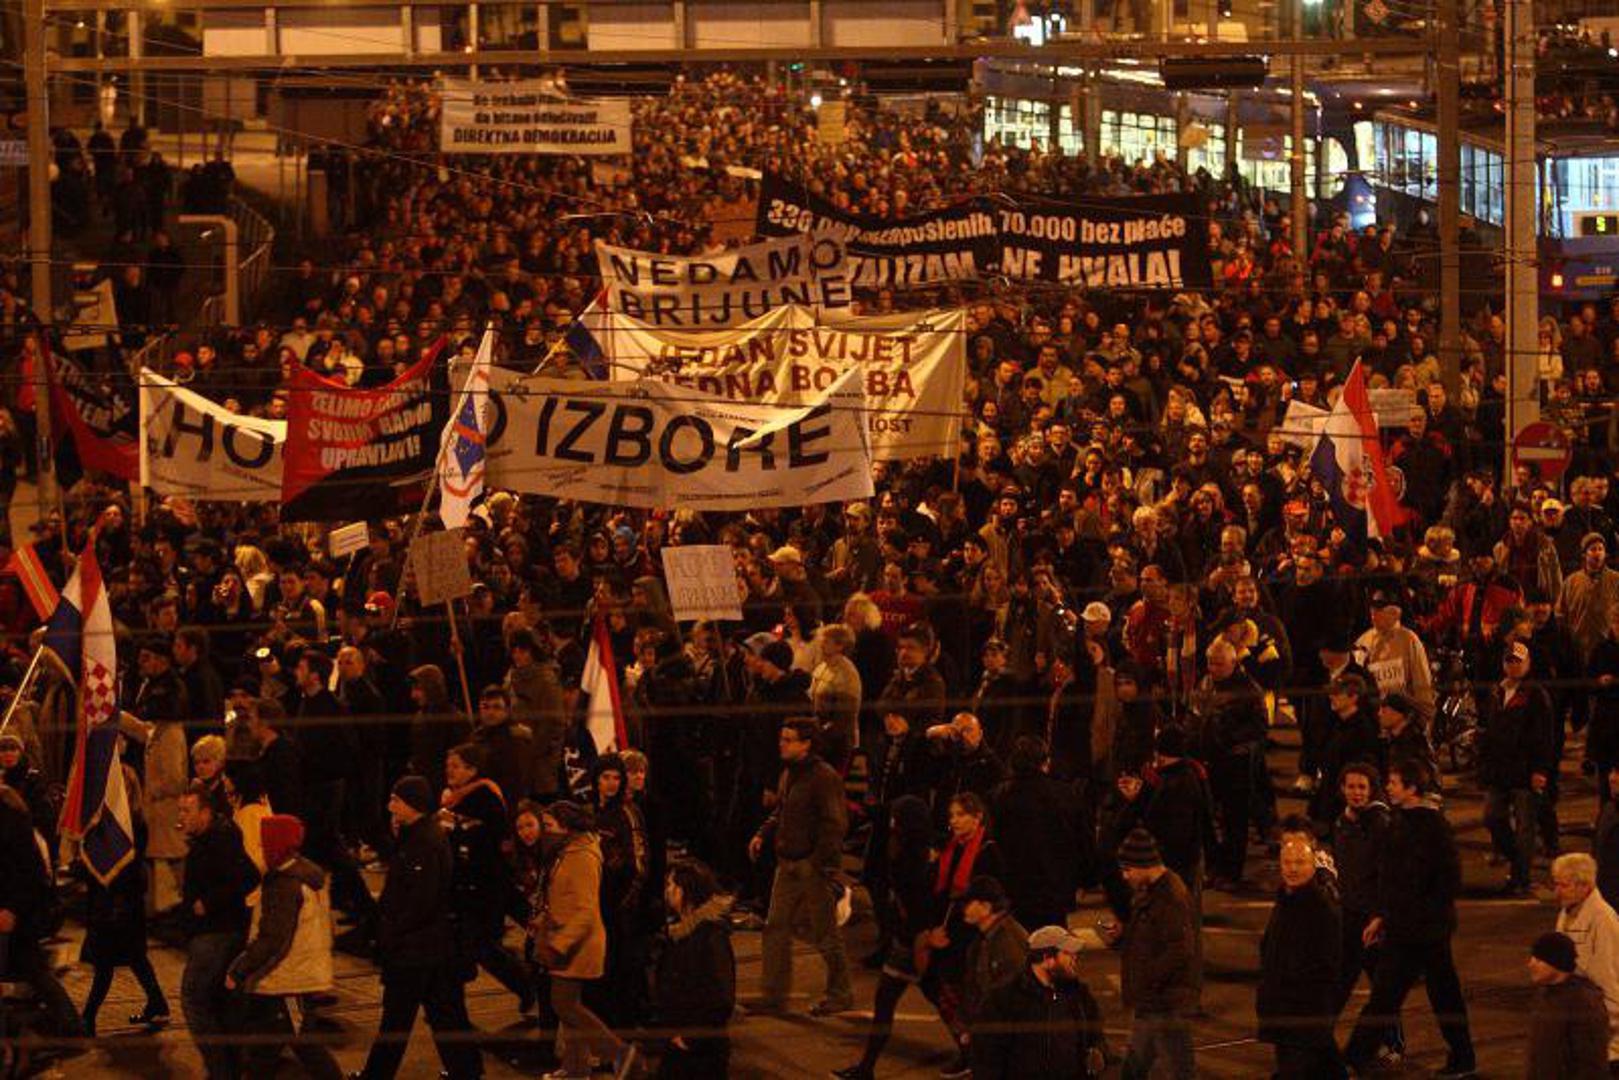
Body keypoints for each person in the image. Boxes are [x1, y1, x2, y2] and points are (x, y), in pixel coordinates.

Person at [1343, 759, 1477, 1077]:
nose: (1388, 787)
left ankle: (1462, 1058)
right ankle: (1356, 1056)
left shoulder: (1432, 827)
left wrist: (1415, 916)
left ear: (1411, 788)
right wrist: (1382, 916)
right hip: (1405, 928)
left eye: (1394, 782)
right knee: (1391, 995)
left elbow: (1448, 881)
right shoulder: (1399, 821)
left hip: (1425, 932)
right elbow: (1391, 879)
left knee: (1433, 996)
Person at [355, 775, 483, 1080]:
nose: (390, 806)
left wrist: (391, 932)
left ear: (413, 805)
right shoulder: (416, 836)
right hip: (429, 947)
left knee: (398, 1020)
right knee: (444, 1014)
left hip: (416, 949)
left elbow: (421, 900)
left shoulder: (424, 843)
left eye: (396, 800)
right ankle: (466, 1071)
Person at [224, 814, 343, 1080]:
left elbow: (273, 938)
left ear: (275, 845)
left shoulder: (284, 884)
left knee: (303, 1045)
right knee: (267, 1049)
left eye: (263, 843)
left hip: (288, 980)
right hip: (297, 974)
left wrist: (240, 969)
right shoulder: (307, 875)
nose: (260, 849)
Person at [749, 717, 852, 1017]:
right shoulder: (790, 773)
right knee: (775, 928)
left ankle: (840, 992)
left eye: (788, 739)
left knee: (825, 933)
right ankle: (773, 995)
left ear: (806, 744)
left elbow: (835, 824)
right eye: (781, 738)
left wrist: (817, 862)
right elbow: (782, 811)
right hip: (788, 863)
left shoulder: (823, 777)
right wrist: (763, 833)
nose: (781, 744)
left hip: (812, 867)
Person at [528, 799, 635, 1080]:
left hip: (577, 945)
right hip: (566, 939)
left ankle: (619, 1053)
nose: (545, 831)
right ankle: (576, 1069)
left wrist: (560, 943)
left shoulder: (583, 856)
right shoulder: (566, 851)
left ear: (566, 826)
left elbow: (586, 911)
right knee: (568, 1007)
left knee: (565, 1005)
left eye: (549, 826)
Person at [177, 779, 259, 1080]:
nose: (181, 817)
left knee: (194, 1000)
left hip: (216, 934)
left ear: (205, 812)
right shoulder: (210, 838)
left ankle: (221, 1070)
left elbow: (249, 877)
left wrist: (208, 903)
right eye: (180, 810)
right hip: (213, 932)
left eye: (187, 810)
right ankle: (228, 1069)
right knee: (220, 1004)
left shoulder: (220, 839)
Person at [440, 743, 530, 1011]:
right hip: (466, 886)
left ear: (472, 770)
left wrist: (454, 829)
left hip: (484, 885)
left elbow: (489, 841)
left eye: (456, 766)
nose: (450, 771)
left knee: (481, 946)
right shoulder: (453, 797)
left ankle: (527, 985)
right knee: (477, 946)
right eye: (448, 766)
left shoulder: (483, 798)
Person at [1108, 827, 1197, 1080]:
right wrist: (1124, 934)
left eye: (1128, 869)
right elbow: (1151, 937)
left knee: (1179, 1072)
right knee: (1133, 1070)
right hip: (1150, 1001)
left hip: (1165, 1004)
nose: (1125, 876)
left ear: (1143, 865)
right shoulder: (1151, 891)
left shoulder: (1170, 897)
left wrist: (1149, 977)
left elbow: (1181, 948)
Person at [1257, 837, 1345, 1079]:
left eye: (1300, 862)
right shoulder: (1285, 900)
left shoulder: (1321, 908)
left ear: (1313, 865)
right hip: (1284, 1011)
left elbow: (1328, 965)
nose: (1292, 868)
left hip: (1303, 1013)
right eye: (1287, 862)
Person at [971, 924, 1104, 1080]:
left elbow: (1095, 1034)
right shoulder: (1003, 999)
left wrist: (1099, 1052)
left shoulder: (1078, 994)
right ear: (1047, 959)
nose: (1074, 958)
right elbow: (986, 1055)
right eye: (1067, 953)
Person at [1480, 640, 1557, 896]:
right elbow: (1490, 730)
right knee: (1492, 817)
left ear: (1528, 664)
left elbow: (1545, 736)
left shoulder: (1536, 695)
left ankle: (1520, 878)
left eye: (1518, 661)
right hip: (1499, 771)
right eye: (1509, 661)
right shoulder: (1497, 691)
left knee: (1525, 826)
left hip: (1525, 771)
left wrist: (1541, 770)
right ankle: (1517, 860)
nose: (1513, 666)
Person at [652, 859, 736, 1079]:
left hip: (699, 1048)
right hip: (682, 1038)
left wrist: (691, 1039)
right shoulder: (682, 933)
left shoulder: (710, 936)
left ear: (686, 891)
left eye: (672, 885)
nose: (667, 891)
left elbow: (721, 996)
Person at [1551, 852, 1619, 1067]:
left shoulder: (1603, 920)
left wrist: (1611, 1033)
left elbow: (1608, 978)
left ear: (1584, 886)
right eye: (1556, 884)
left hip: (1602, 1032)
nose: (1556, 892)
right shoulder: (1568, 911)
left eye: (1563, 885)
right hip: (1578, 1018)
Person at [1525, 931, 1611, 1079]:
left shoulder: (1583, 1003)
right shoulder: (1544, 996)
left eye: (1539, 960)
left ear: (1557, 963)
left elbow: (1591, 1063)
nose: (1530, 964)